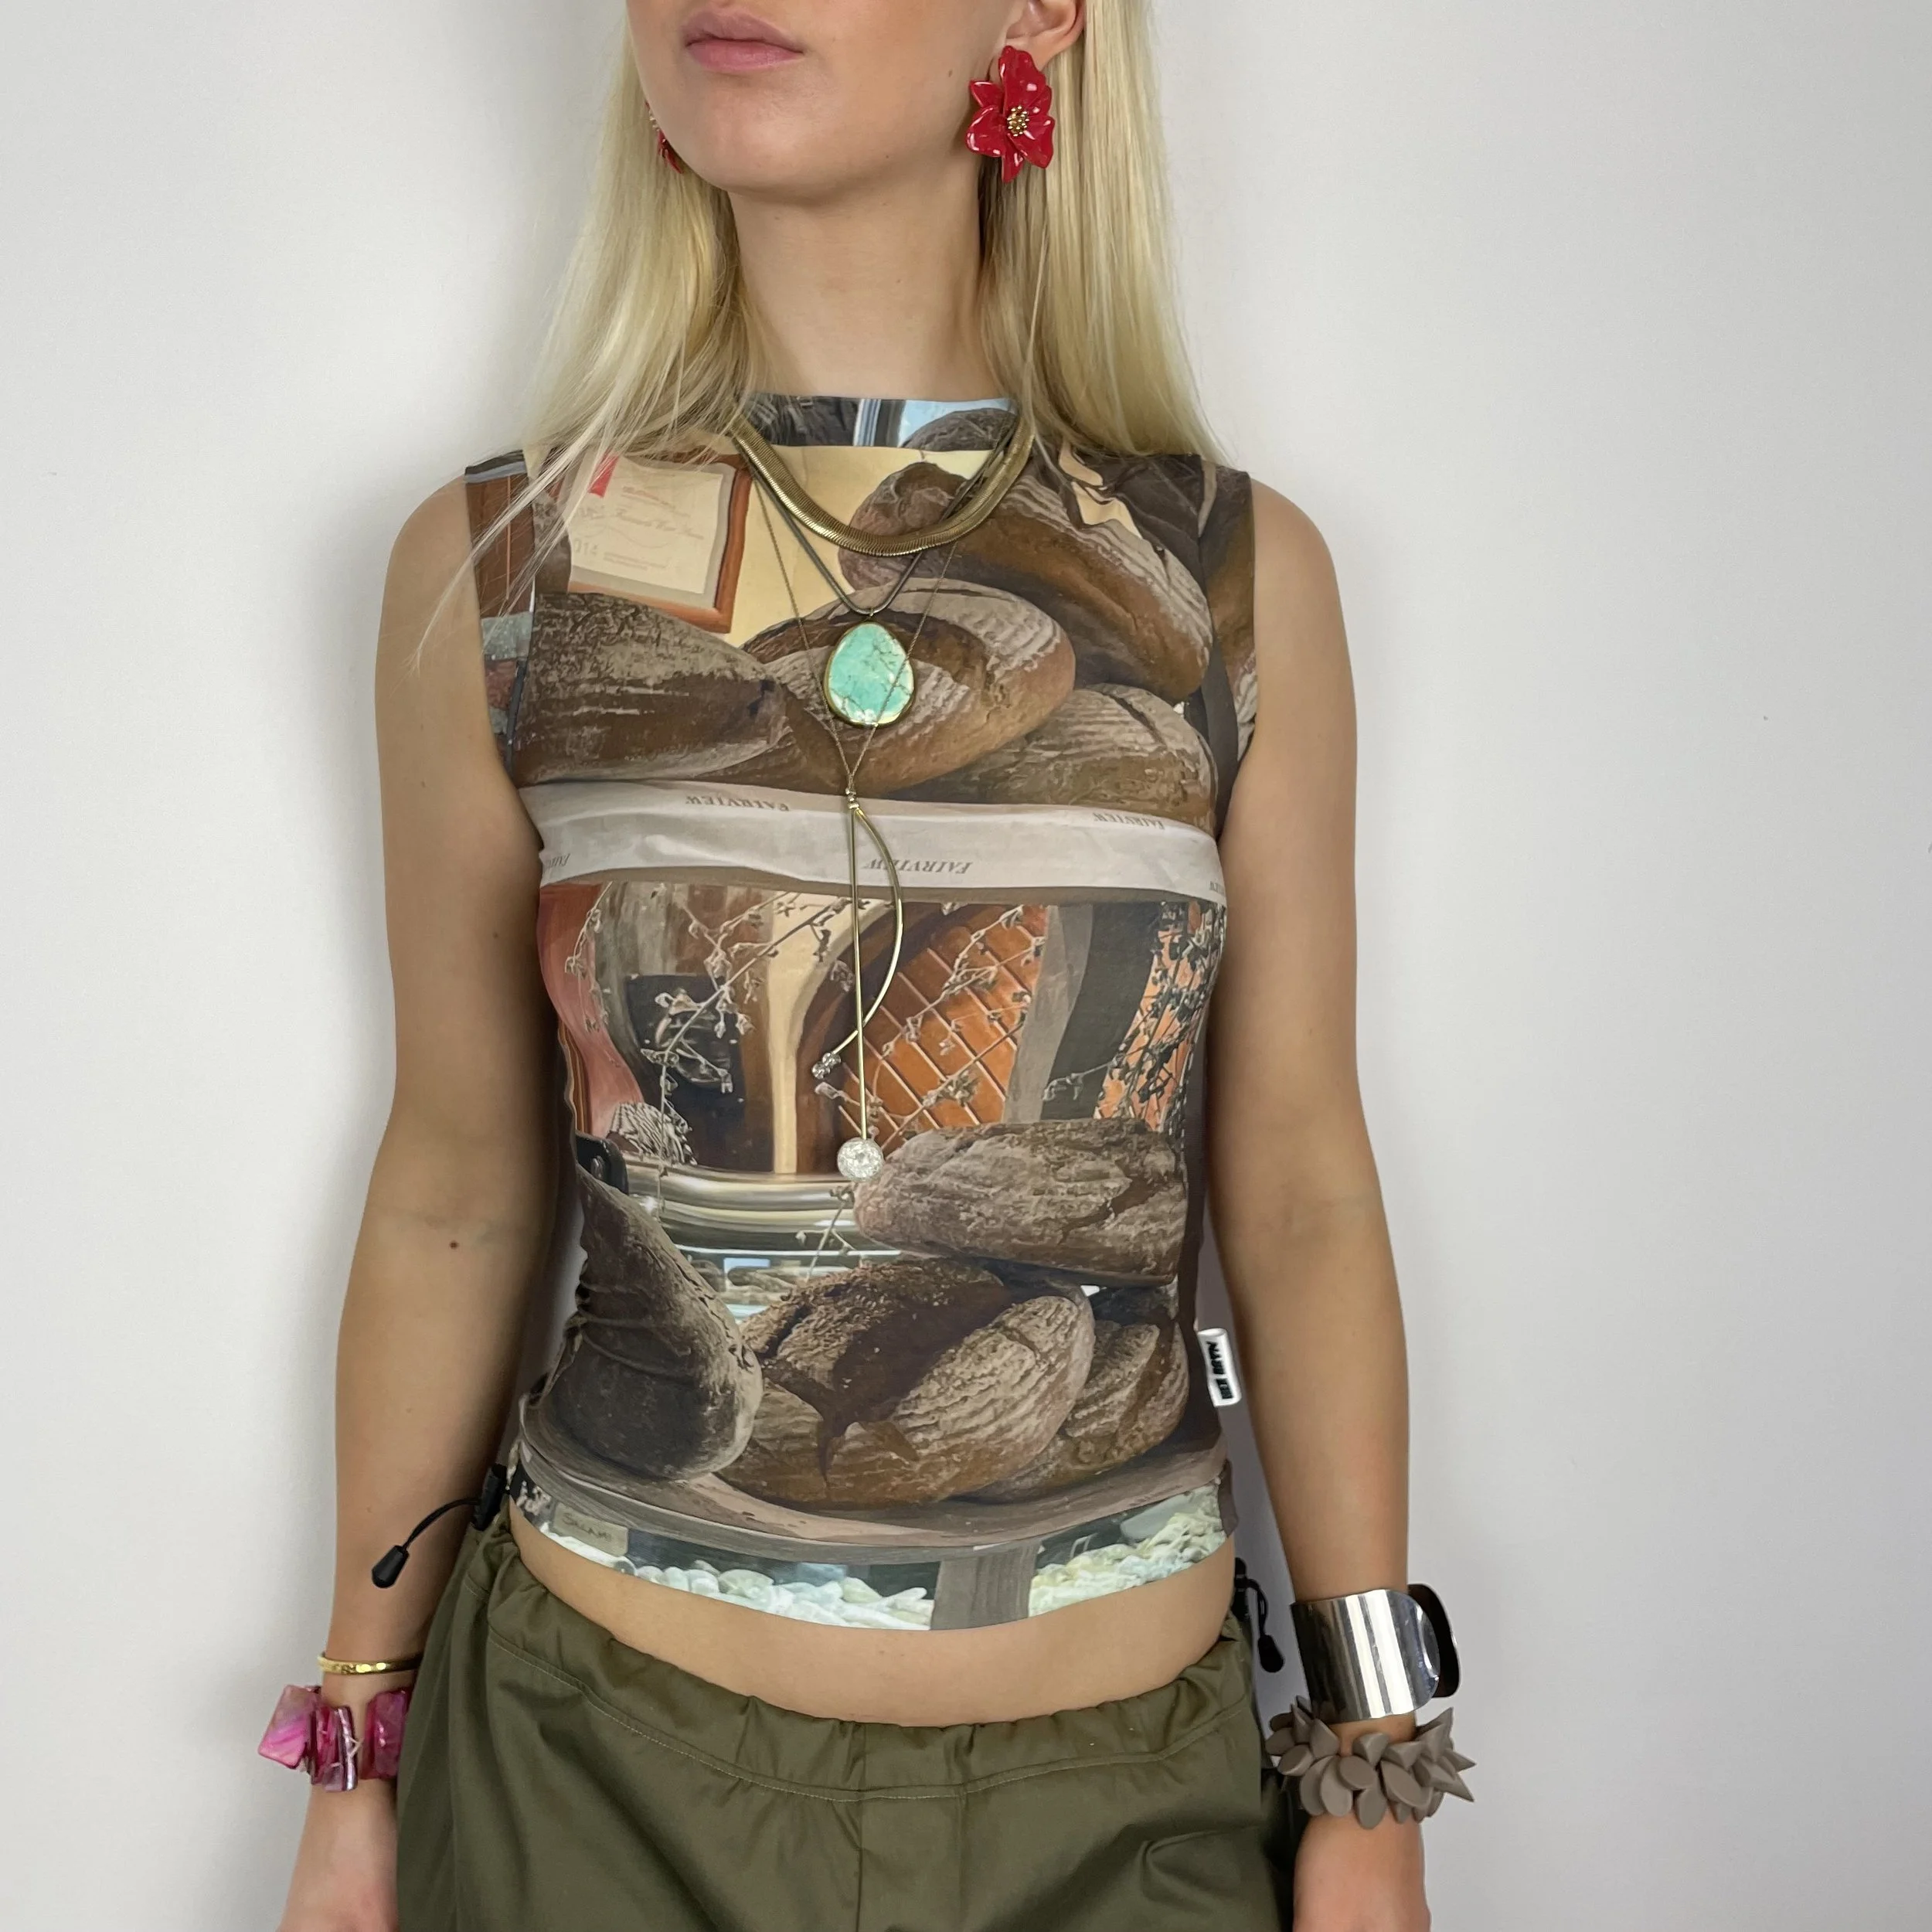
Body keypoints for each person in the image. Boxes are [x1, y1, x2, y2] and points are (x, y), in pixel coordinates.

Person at [270, 4, 1454, 1928]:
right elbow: (457, 1190)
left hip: (1113, 1806)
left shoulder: (1228, 582)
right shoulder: (501, 569)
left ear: (1038, 14)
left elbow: (1300, 1190)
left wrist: (1374, 1769)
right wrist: (351, 1750)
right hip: (586, 1778)